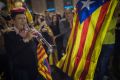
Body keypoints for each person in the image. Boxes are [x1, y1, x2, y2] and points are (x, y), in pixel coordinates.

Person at [3, 7, 43, 80]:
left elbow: (35, 48)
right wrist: (27, 38)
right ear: (13, 21)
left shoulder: (29, 32)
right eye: (19, 18)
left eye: (24, 18)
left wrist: (38, 39)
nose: (23, 21)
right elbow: (13, 51)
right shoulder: (8, 34)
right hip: (21, 73)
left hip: (34, 70)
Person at [94, 5, 119, 80]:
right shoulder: (109, 19)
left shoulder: (106, 18)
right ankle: (101, 76)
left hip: (106, 43)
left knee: (104, 60)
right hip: (106, 43)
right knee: (104, 61)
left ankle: (103, 74)